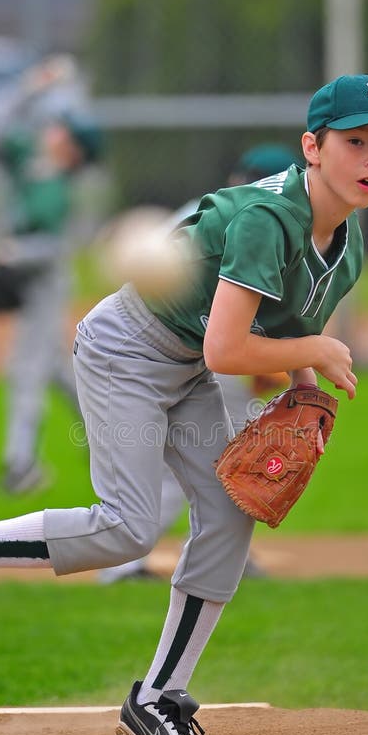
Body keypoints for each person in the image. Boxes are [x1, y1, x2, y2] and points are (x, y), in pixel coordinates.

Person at [0, 74, 368, 735]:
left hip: (185, 364)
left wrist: (305, 390)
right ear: (312, 148)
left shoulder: (346, 246)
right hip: (128, 350)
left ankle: (157, 700)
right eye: (355, 142)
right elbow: (228, 350)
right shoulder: (268, 218)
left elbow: (282, 336)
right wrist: (315, 352)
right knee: (128, 526)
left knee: (229, 514)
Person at [96, 143, 299, 584]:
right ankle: (132, 563)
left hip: (175, 347)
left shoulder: (208, 207)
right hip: (204, 351)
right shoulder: (268, 222)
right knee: (224, 461)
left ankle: (224, 554)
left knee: (217, 462)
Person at [0, 54, 103, 494]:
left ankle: (20, 464)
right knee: (56, 368)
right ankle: (107, 435)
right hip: (31, 280)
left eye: (61, 131)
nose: (51, 130)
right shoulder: (35, 164)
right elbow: (2, 132)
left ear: (73, 150)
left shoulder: (57, 185)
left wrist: (12, 254)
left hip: (45, 283)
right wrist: (33, 87)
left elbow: (53, 246)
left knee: (27, 369)